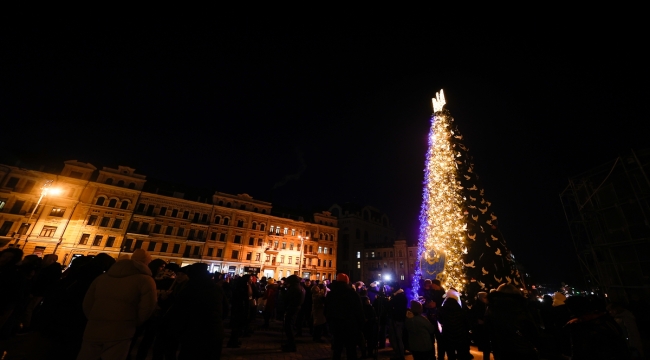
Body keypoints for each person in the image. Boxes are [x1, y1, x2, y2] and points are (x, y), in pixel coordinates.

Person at [76, 249, 157, 360]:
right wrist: (133, 322)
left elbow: (87, 303)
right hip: (121, 331)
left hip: (94, 328)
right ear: (147, 262)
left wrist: (94, 319)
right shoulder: (146, 280)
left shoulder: (103, 277)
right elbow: (148, 307)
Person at [485, 284, 538, 360]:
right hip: (523, 349)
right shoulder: (520, 306)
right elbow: (532, 330)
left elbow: (489, 331)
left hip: (501, 350)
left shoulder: (491, 309)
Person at [326, 273, 365, 360]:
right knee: (351, 350)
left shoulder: (331, 294)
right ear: (347, 282)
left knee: (337, 349)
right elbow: (359, 311)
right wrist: (361, 325)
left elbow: (327, 310)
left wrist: (330, 322)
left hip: (336, 325)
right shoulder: (353, 294)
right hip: (351, 326)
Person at [438, 289, 470, 360]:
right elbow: (466, 321)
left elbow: (440, 320)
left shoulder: (442, 309)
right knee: (460, 354)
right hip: (460, 335)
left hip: (447, 335)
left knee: (450, 354)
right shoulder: (460, 310)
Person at [281, 274, 305, 352]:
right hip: (296, 308)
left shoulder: (293, 288)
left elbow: (286, 298)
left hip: (292, 308)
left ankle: (291, 345)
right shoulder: (300, 287)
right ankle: (290, 344)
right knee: (290, 326)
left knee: (288, 327)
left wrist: (283, 291)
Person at [387, 282, 408, 360]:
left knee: (398, 337)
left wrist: (389, 302)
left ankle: (400, 355)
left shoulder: (398, 297)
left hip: (397, 319)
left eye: (391, 287)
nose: (390, 289)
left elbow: (391, 305)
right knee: (397, 337)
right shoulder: (399, 296)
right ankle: (399, 354)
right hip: (397, 318)